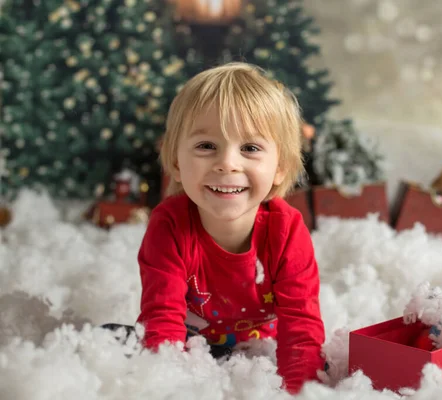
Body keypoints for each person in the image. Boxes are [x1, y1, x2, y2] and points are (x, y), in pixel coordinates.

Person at [135, 62, 326, 394]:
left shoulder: (287, 230)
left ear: (279, 167)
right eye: (207, 146)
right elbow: (162, 318)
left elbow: (301, 327)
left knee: (319, 364)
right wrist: (166, 385)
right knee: (114, 341)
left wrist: (299, 391)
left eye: (250, 148)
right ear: (178, 164)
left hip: (258, 352)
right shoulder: (169, 225)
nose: (227, 162)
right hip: (190, 344)